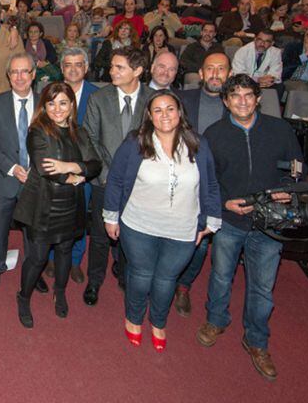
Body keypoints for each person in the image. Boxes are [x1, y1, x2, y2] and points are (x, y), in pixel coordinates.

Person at [197, 74, 303, 381]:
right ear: (226, 101)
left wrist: (288, 188)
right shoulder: (213, 135)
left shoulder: (280, 129)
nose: (242, 101)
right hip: (231, 221)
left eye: (248, 95)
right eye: (235, 96)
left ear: (258, 98)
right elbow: (207, 180)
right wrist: (225, 203)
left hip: (269, 222)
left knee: (262, 287)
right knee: (220, 276)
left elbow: (297, 167)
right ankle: (216, 320)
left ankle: (257, 340)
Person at [104, 90, 221, 351]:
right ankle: (134, 318)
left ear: (180, 112)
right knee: (142, 275)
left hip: (182, 228)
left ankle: (158, 321)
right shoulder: (135, 143)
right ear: (149, 115)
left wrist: (211, 222)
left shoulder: (198, 145)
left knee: (166, 279)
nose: (164, 115)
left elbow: (211, 184)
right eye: (158, 110)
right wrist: (111, 217)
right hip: (138, 224)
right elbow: (116, 180)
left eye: (170, 108)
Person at [13, 82, 102, 328]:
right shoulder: (38, 130)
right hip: (42, 204)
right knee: (38, 257)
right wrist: (73, 175)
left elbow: (96, 164)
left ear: (72, 105)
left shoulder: (79, 132)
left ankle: (60, 291)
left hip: (71, 205)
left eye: (63, 102)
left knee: (64, 251)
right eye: (51, 103)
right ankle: (23, 296)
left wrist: (71, 167)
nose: (57, 109)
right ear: (44, 106)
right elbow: (44, 168)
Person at [82, 47, 153, 306]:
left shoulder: (154, 99)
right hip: (105, 180)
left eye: (119, 67)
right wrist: (107, 175)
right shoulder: (99, 99)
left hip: (141, 183)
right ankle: (94, 280)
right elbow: (89, 139)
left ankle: (125, 276)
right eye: (111, 66)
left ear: (137, 71)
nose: (112, 71)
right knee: (100, 236)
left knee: (131, 235)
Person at [0, 52, 47, 291]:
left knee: (34, 232)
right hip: (3, 178)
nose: (20, 77)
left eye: (24, 71)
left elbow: (52, 142)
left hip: (35, 180)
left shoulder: (45, 103)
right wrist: (11, 168)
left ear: (33, 74)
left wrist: (37, 170)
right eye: (14, 72)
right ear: (8, 76)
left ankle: (34, 270)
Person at [173, 52, 231, 316]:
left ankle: (183, 286)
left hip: (216, 186)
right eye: (210, 69)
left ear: (229, 74)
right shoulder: (183, 100)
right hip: (181, 182)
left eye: (221, 69)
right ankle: (165, 279)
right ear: (201, 73)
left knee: (201, 242)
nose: (216, 74)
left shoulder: (236, 105)